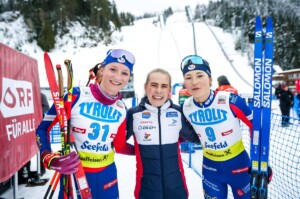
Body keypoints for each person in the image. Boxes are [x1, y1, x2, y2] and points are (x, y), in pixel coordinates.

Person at [36, 49, 136, 199]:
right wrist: (48, 158)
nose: (117, 77)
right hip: (75, 175)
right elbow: (42, 129)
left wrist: (146, 150)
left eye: (124, 73)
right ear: (101, 70)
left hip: (107, 177)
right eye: (113, 69)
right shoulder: (75, 96)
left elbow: (120, 146)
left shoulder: (121, 108)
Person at [180, 55, 267, 198]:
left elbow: (257, 128)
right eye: (188, 77)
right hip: (210, 170)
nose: (194, 82)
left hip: (240, 167)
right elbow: (184, 133)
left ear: (210, 79)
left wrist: (260, 163)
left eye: (199, 75)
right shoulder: (186, 107)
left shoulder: (231, 101)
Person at [126, 68, 200, 199]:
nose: (158, 91)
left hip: (176, 188)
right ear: (145, 87)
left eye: (164, 86)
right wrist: (136, 150)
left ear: (169, 90)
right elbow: (117, 144)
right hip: (146, 190)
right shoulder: (134, 114)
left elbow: (196, 137)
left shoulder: (178, 112)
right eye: (154, 85)